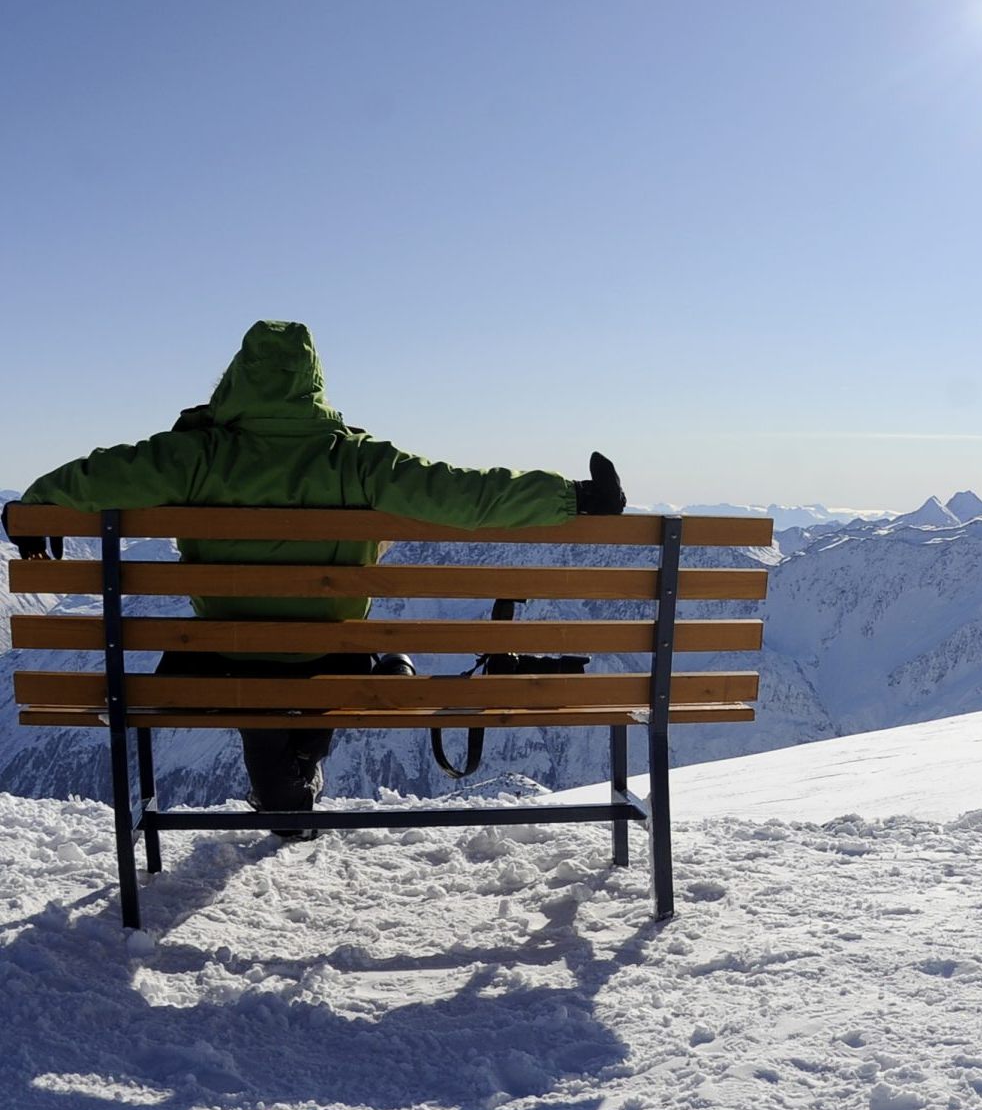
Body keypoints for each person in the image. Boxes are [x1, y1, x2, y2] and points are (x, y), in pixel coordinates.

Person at [2, 319, 625, 825]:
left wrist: (31, 507)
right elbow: (465, 494)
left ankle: (285, 795)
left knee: (249, 664)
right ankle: (299, 776)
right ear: (313, 381)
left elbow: (98, 473)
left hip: (226, 654)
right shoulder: (354, 459)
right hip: (333, 654)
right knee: (337, 657)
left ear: (238, 378)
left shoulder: (195, 454)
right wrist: (573, 497)